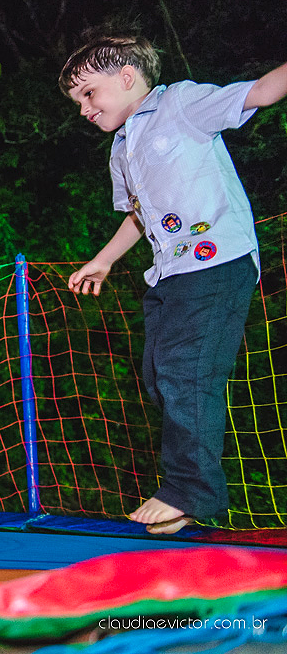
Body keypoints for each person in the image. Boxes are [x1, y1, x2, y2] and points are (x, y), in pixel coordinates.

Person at [62, 33, 287, 534]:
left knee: (187, 374)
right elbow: (139, 216)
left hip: (217, 261)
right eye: (78, 102)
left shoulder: (179, 104)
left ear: (125, 77)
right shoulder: (122, 149)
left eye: (89, 94)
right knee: (159, 376)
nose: (83, 109)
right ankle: (189, 485)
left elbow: (261, 92)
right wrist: (102, 261)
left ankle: (190, 490)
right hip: (169, 274)